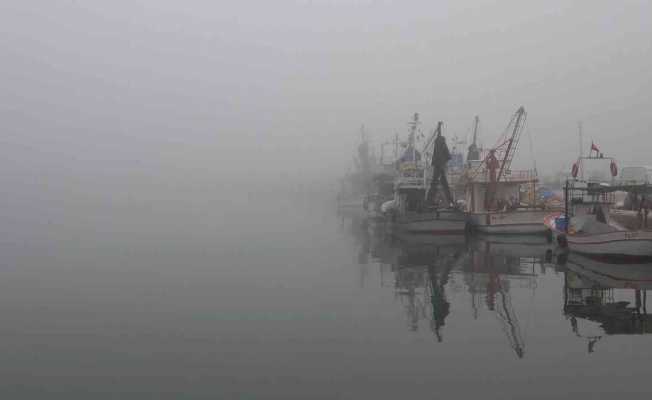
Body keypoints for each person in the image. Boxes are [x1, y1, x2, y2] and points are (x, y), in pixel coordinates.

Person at [427, 131, 453, 206]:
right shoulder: (441, 145)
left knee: (437, 183)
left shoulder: (438, 145)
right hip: (439, 165)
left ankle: (430, 201)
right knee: (442, 184)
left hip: (438, 165)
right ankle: (450, 201)